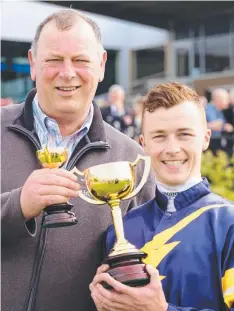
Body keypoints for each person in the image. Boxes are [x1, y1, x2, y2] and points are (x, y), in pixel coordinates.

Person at [1, 9, 156, 311]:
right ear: (33, 63)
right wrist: (17, 206)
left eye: (81, 60)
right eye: (54, 60)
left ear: (101, 65)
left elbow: (153, 256)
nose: (68, 72)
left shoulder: (132, 160)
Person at [90, 82, 234, 311]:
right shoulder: (120, 231)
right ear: (143, 143)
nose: (172, 148)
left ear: (206, 138)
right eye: (159, 136)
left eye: (184, 134)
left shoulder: (228, 223)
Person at [206, 88, 233, 154]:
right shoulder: (208, 109)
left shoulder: (220, 111)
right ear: (218, 99)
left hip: (217, 143)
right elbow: (215, 125)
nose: (228, 101)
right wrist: (221, 125)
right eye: (226, 99)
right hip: (210, 146)